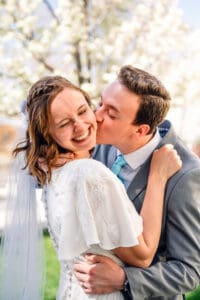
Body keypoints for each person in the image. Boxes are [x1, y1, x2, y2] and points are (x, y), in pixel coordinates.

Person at [0, 76, 181, 300]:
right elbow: (142, 256)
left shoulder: (54, 175)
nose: (80, 125)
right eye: (64, 124)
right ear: (48, 133)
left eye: (83, 110)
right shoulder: (89, 173)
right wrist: (158, 176)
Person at [74, 65, 200, 300]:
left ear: (141, 130)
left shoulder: (186, 176)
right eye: (100, 103)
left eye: (111, 114)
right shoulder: (99, 139)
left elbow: (188, 271)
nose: (96, 116)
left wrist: (123, 279)